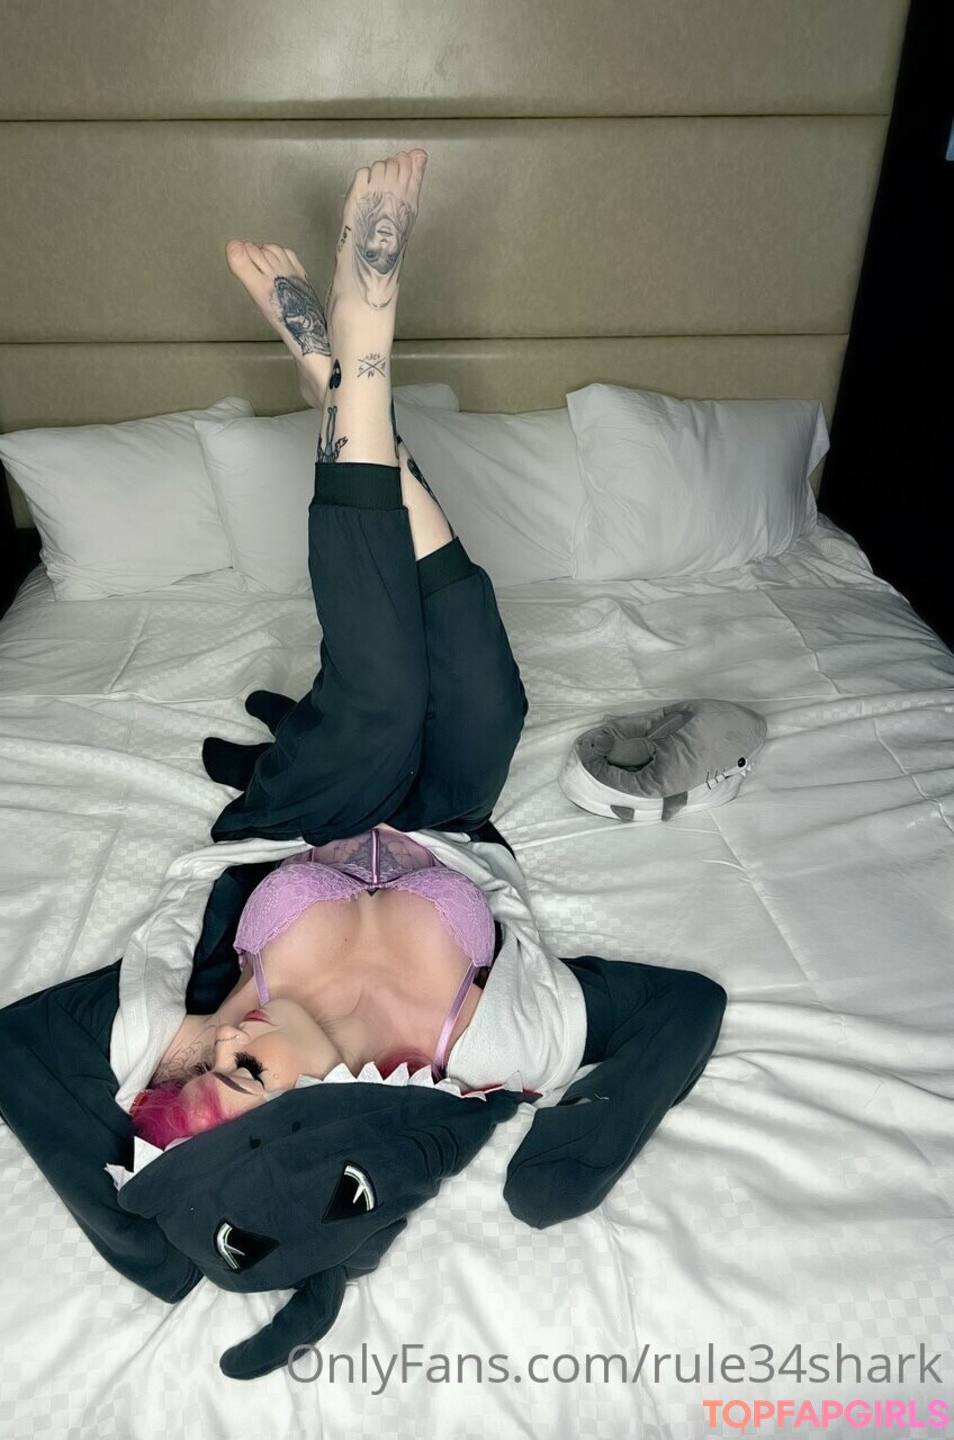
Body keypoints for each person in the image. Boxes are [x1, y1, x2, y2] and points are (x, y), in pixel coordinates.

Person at [114, 148, 727, 1226]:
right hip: (445, 822)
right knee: (492, 700)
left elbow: (9, 1047)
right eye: (242, 1072)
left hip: (311, 812)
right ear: (308, 1126)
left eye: (202, 1055)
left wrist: (143, 1210)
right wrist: (571, 1154)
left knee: (385, 695)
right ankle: (339, 381)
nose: (228, 1038)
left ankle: (364, 346)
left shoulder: (166, 1036)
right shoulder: (496, 1052)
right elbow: (685, 1006)